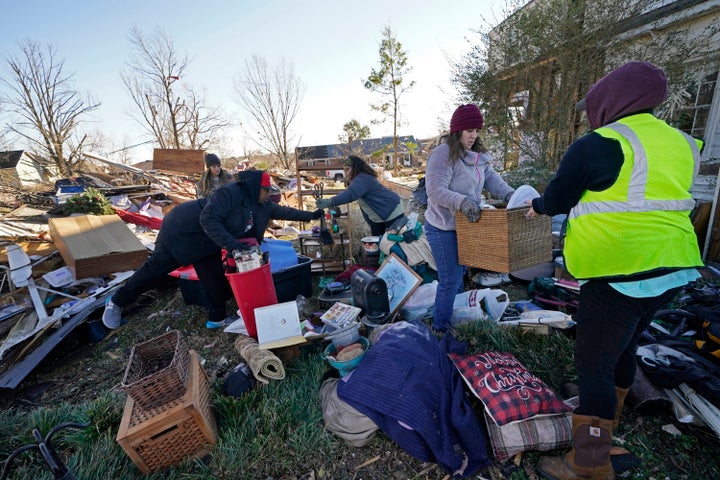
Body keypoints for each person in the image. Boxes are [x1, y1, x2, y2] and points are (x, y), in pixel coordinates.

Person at [526, 62, 703, 479]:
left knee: (593, 366)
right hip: (673, 270)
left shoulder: (599, 143)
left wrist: (535, 205)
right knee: (622, 349)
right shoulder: (683, 143)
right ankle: (610, 418)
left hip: (621, 273)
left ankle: (589, 462)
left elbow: (556, 199)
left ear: (608, 103)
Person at [103, 170, 324, 330]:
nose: (268, 195)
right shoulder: (229, 194)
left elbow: (285, 212)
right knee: (155, 270)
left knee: (213, 277)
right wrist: (233, 245)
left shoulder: (261, 204)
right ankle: (117, 301)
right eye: (265, 190)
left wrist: (313, 215)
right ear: (254, 187)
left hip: (208, 242)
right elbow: (207, 218)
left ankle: (217, 318)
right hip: (182, 231)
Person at [424, 104, 515, 333]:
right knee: (450, 279)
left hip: (467, 228)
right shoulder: (443, 154)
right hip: (442, 227)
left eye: (476, 130)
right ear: (457, 131)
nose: (473, 135)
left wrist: (513, 195)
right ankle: (440, 329)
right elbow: (434, 190)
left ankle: (455, 318)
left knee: (461, 275)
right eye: (468, 131)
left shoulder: (479, 156)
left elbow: (493, 180)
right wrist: (463, 201)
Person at [315, 155, 404, 236]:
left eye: (347, 170)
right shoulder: (359, 179)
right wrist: (371, 221)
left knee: (393, 244)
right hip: (379, 216)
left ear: (355, 169)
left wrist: (330, 201)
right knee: (377, 244)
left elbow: (350, 194)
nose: (345, 173)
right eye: (344, 170)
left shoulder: (362, 179)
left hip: (392, 209)